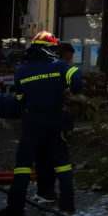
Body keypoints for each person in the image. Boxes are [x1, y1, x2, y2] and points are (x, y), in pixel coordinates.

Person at [0, 31, 82, 216]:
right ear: (51, 49)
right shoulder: (59, 66)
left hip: (32, 120)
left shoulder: (21, 70)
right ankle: (68, 202)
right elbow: (76, 75)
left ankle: (15, 209)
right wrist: (70, 91)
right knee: (62, 160)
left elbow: (20, 98)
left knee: (23, 165)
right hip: (56, 118)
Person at [34, 41, 80, 203]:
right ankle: (58, 194)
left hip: (38, 120)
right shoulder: (65, 70)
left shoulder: (39, 68)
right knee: (58, 157)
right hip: (58, 118)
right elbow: (73, 92)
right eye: (69, 57)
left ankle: (43, 191)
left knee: (42, 156)